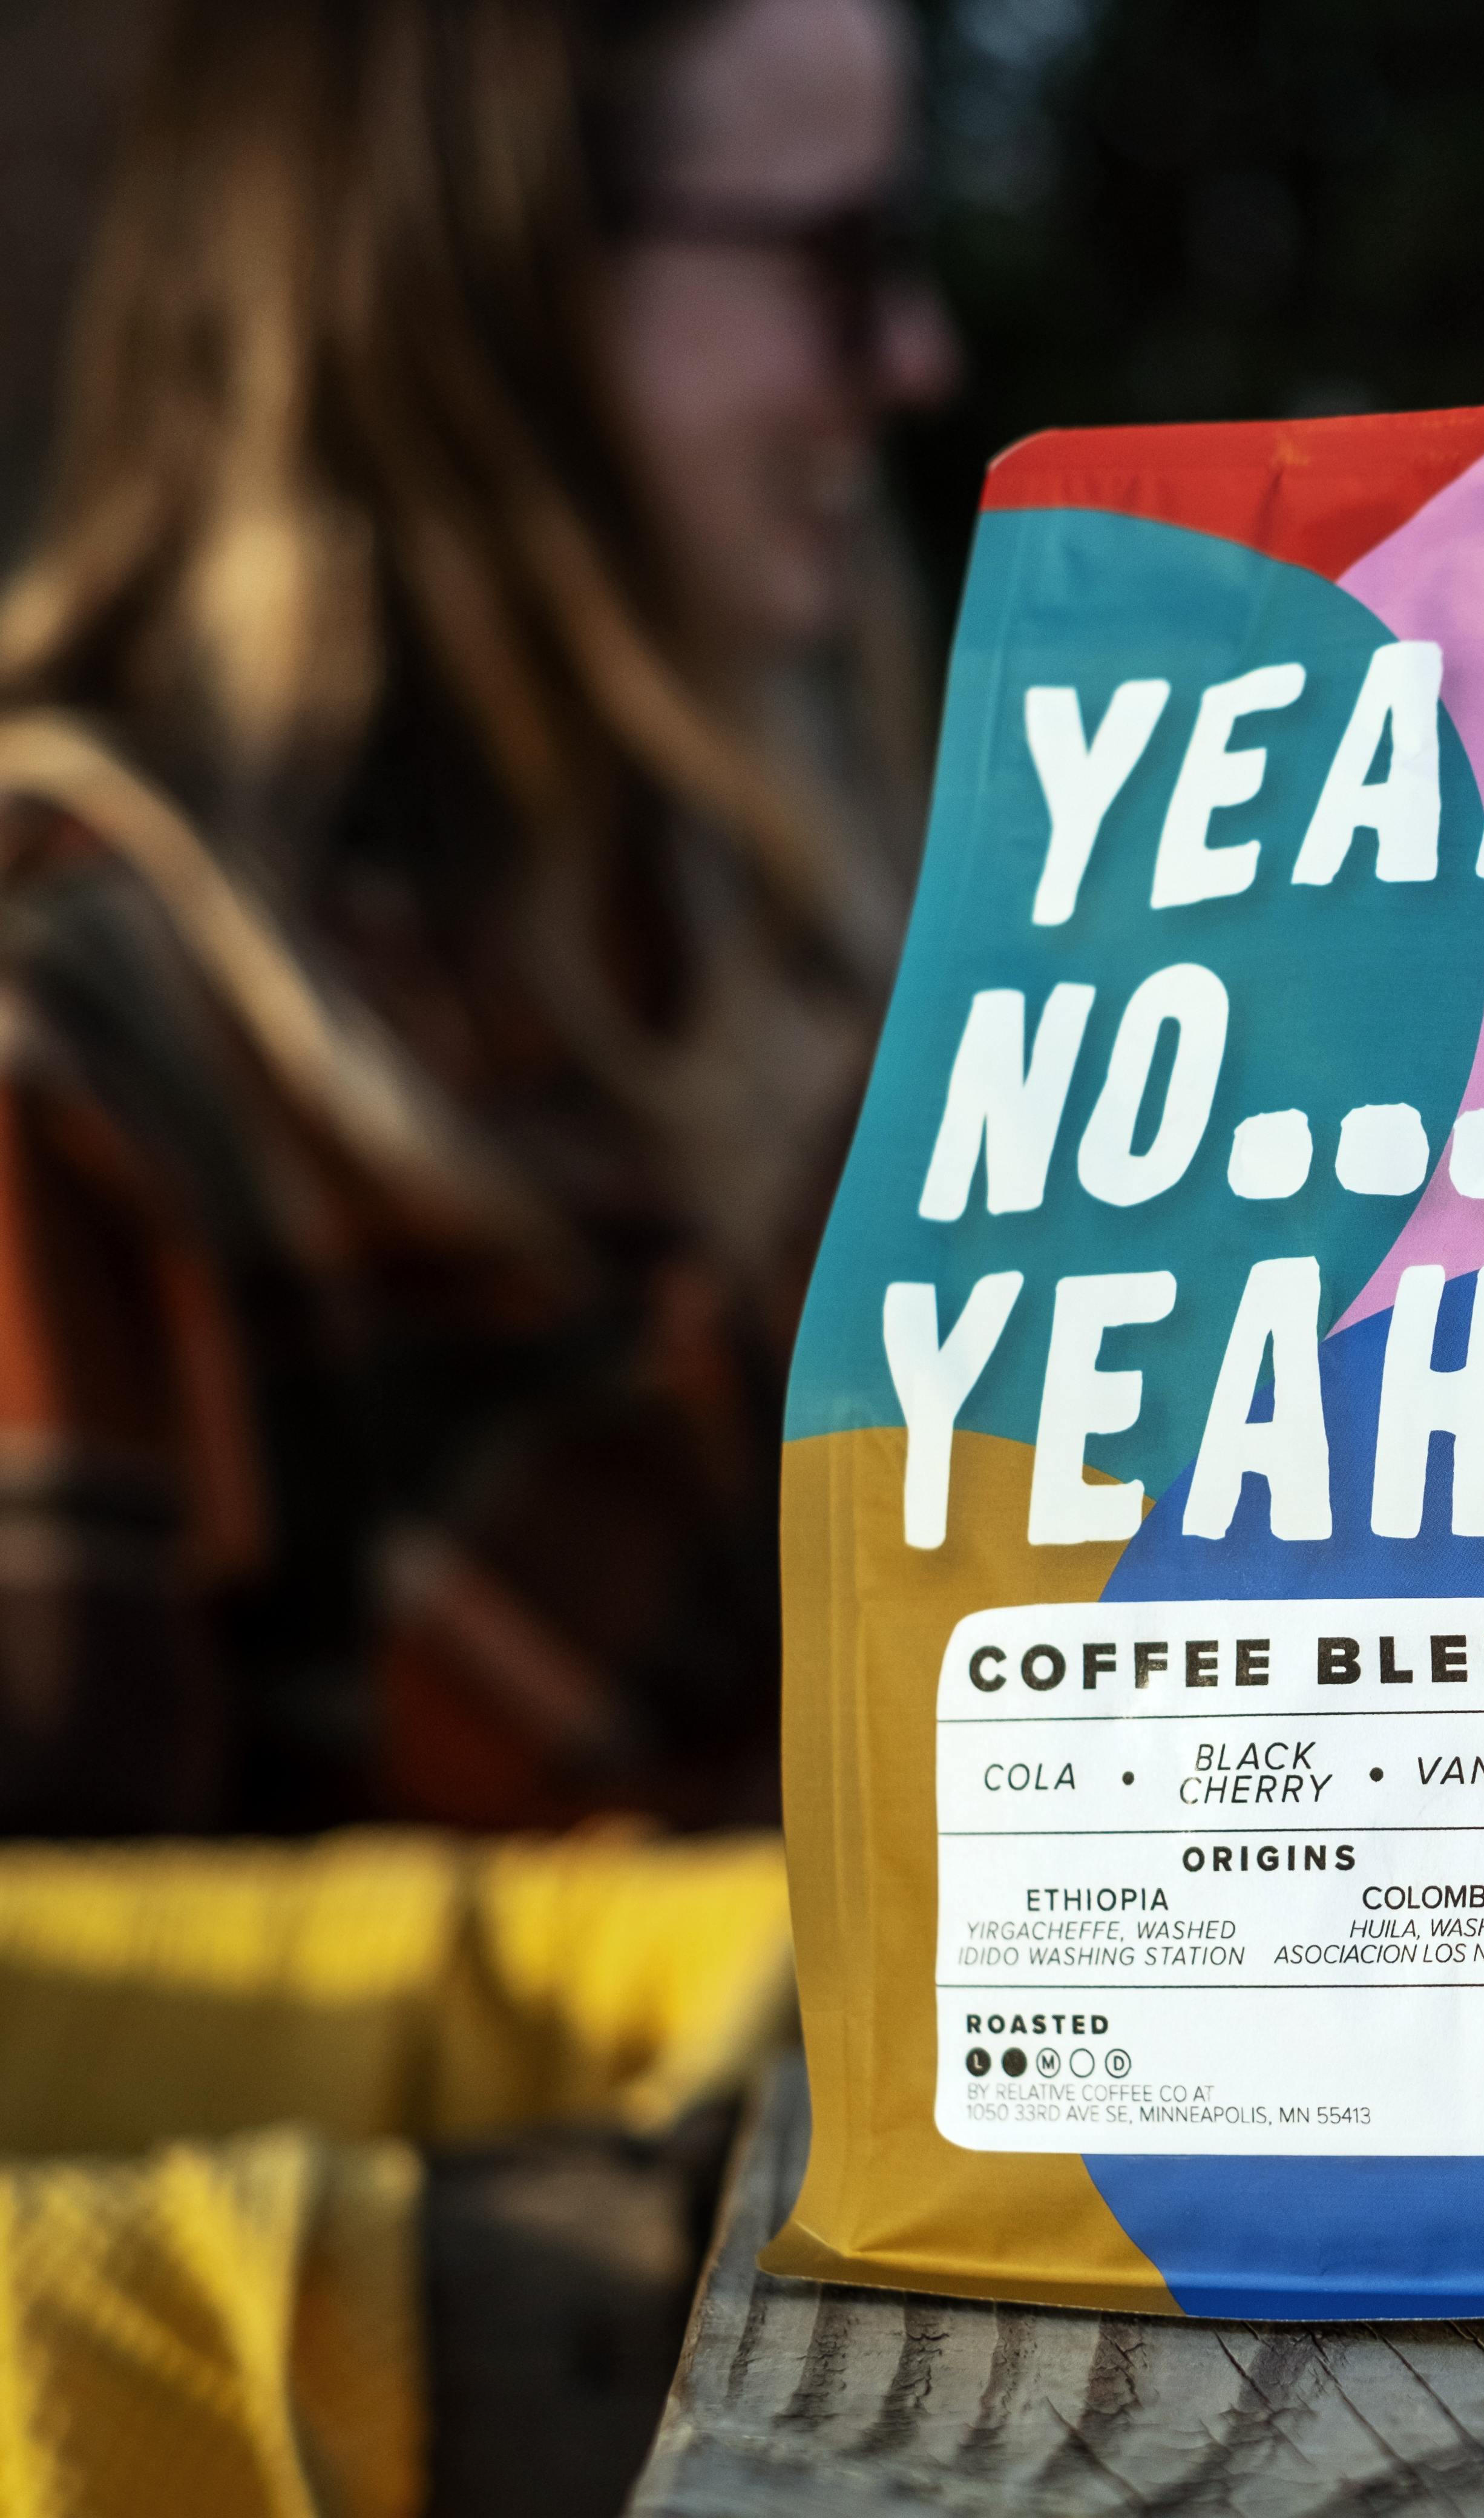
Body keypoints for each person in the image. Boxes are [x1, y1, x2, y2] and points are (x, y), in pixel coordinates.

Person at [0, 0, 954, 1832]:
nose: (916, 356)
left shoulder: (812, 971)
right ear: (474, 276)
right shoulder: (80, 1058)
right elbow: (76, 2030)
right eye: (843, 257)